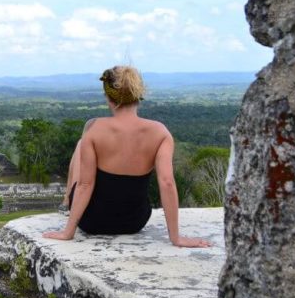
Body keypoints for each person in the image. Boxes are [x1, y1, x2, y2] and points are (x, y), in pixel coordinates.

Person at [43, 66, 211, 248]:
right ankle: (68, 201)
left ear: (110, 98)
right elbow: (167, 182)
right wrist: (177, 238)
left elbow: (85, 184)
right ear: (138, 96)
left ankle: (66, 201)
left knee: (80, 145)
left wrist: (68, 232)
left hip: (91, 221)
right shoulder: (160, 133)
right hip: (134, 221)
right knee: (82, 145)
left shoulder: (93, 128)